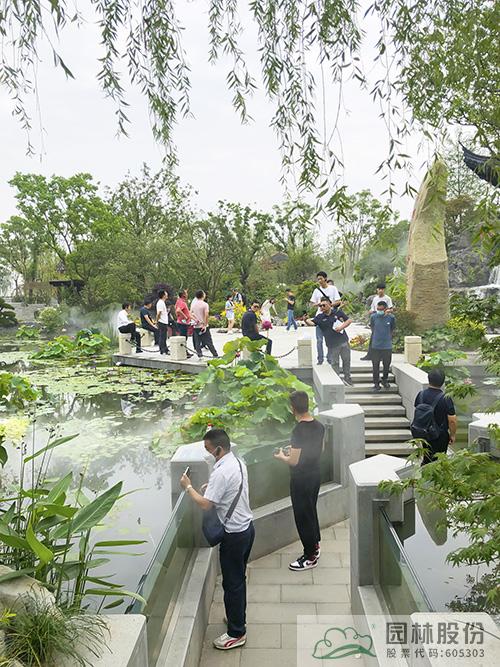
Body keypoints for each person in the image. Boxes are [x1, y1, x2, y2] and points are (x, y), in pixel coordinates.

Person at [180, 429, 254, 650]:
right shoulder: (238, 462)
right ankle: (236, 618)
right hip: (247, 529)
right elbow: (231, 489)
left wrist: (188, 487)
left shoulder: (221, 473)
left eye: (208, 449)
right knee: (238, 578)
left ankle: (236, 633)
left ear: (219, 449)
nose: (207, 453)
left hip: (233, 535)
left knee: (232, 583)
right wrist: (210, 489)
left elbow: (205, 505)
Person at [274, 391, 324, 570]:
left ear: (292, 408)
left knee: (303, 516)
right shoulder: (319, 426)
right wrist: (297, 449)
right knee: (311, 511)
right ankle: (315, 545)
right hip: (315, 475)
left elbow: (294, 461)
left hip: (301, 479)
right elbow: (320, 449)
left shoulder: (298, 430)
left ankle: (310, 557)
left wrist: (282, 456)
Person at [306, 297, 353, 385]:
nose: (322, 307)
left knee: (346, 361)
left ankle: (347, 378)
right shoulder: (320, 317)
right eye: (320, 306)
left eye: (324, 305)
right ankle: (336, 380)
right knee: (335, 363)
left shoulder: (337, 312)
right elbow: (311, 323)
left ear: (330, 304)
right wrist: (306, 319)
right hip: (332, 344)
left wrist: (341, 327)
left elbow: (349, 320)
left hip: (343, 341)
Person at [414, 369, 457, 466]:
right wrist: (453, 435)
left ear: (429, 379)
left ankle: (424, 473)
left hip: (423, 433)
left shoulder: (421, 395)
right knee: (438, 461)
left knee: (426, 458)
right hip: (439, 435)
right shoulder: (445, 398)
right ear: (442, 381)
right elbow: (452, 420)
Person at [310, 271, 341, 364]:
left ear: (325, 279)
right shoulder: (316, 291)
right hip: (319, 317)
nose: (319, 281)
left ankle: (329, 357)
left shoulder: (333, 289)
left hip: (330, 317)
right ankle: (320, 359)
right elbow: (312, 303)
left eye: (321, 279)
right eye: (318, 279)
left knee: (330, 338)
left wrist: (329, 305)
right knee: (319, 340)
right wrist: (319, 304)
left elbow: (338, 301)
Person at [361, 284, 394, 361]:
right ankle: (370, 355)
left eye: (382, 289)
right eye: (379, 289)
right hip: (376, 318)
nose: (380, 291)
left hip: (384, 319)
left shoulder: (387, 298)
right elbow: (372, 309)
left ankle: (382, 356)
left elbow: (391, 309)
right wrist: (370, 312)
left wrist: (387, 311)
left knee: (383, 338)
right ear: (377, 290)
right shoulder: (375, 299)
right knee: (373, 337)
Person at [369, 300, 395, 391]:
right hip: (375, 346)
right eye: (378, 309)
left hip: (387, 346)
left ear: (385, 309)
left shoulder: (391, 318)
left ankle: (385, 380)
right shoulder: (373, 317)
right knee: (375, 365)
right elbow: (372, 327)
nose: (379, 311)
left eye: (381, 309)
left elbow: (392, 328)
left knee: (386, 364)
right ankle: (376, 383)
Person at [190, 290, 219, 359]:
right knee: (208, 341)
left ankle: (200, 355)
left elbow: (190, 314)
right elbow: (206, 315)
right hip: (203, 326)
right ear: (203, 295)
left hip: (196, 326)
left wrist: (195, 320)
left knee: (197, 341)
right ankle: (215, 354)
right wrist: (205, 325)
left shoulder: (193, 304)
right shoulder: (205, 304)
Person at [156, 289, 170, 355]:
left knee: (164, 336)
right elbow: (158, 313)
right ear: (163, 295)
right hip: (162, 322)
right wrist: (157, 321)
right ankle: (163, 350)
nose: (167, 295)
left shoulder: (162, 302)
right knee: (162, 337)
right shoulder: (160, 303)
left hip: (164, 321)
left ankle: (165, 349)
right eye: (166, 294)